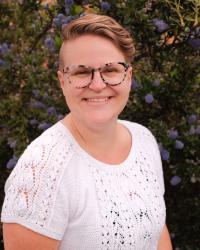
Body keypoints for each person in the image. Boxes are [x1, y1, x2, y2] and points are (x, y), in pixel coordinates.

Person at [1, 14, 172, 250]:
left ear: (128, 77)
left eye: (111, 69)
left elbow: (157, 234)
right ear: (63, 81)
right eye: (81, 72)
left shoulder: (144, 141)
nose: (98, 84)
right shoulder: (43, 171)